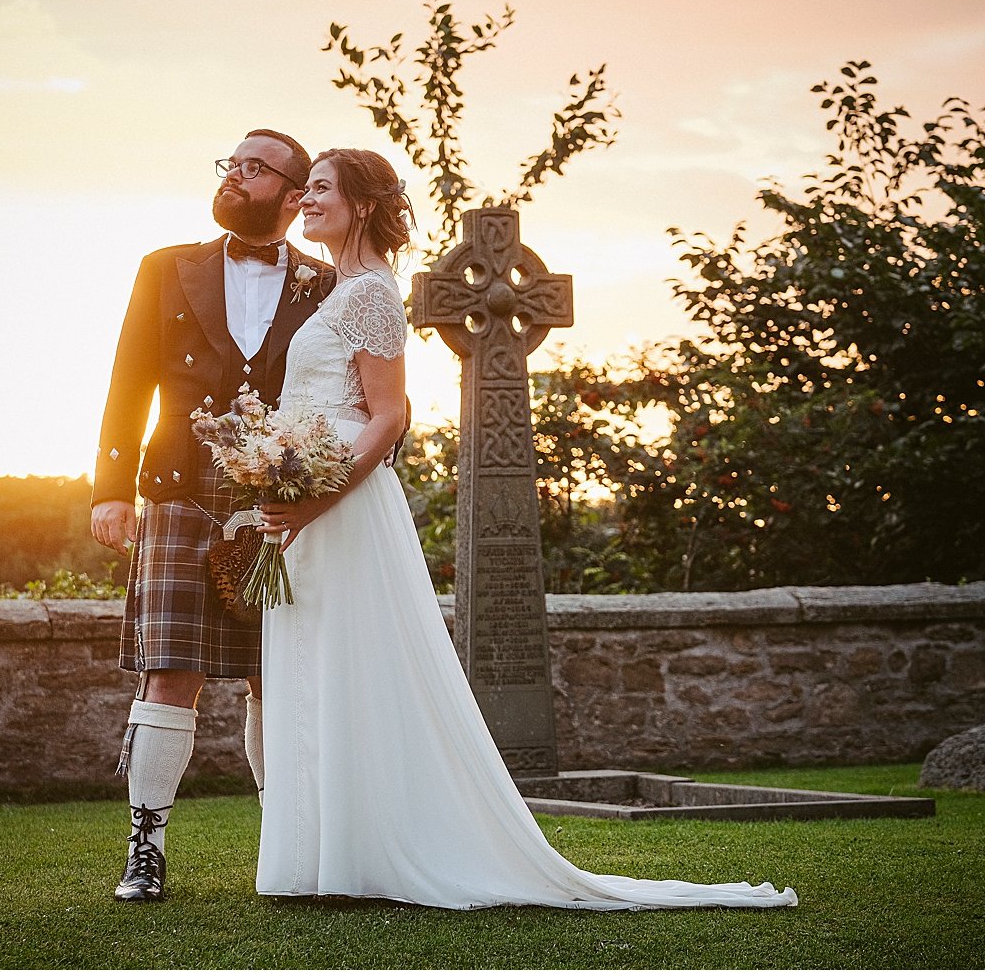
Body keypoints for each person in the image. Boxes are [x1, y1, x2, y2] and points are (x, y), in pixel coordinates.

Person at [252, 148, 798, 910]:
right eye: (303, 188)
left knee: (353, 666)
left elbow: (388, 416)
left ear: (363, 204)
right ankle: (320, 858)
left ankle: (365, 854)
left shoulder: (371, 295)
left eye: (319, 189)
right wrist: (273, 471)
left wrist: (315, 499)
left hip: (343, 505)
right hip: (306, 497)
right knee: (315, 669)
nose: (303, 199)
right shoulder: (333, 290)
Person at [91, 129, 335, 903]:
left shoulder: (326, 283)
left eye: (254, 168)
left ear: (294, 195)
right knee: (171, 674)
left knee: (279, 676)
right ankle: (145, 848)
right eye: (230, 163)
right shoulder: (166, 268)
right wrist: (109, 485)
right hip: (180, 486)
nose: (235, 176)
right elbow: (128, 375)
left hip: (281, 496)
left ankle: (288, 840)